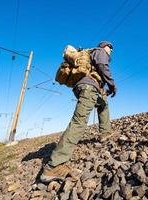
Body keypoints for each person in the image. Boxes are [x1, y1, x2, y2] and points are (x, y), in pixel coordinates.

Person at [40, 41, 117, 182]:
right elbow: (102, 66)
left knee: (103, 104)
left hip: (83, 87)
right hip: (88, 88)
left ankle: (105, 132)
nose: (111, 50)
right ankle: (54, 166)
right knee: (79, 122)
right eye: (109, 47)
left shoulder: (90, 53)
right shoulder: (100, 52)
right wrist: (112, 85)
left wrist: (102, 88)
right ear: (104, 46)